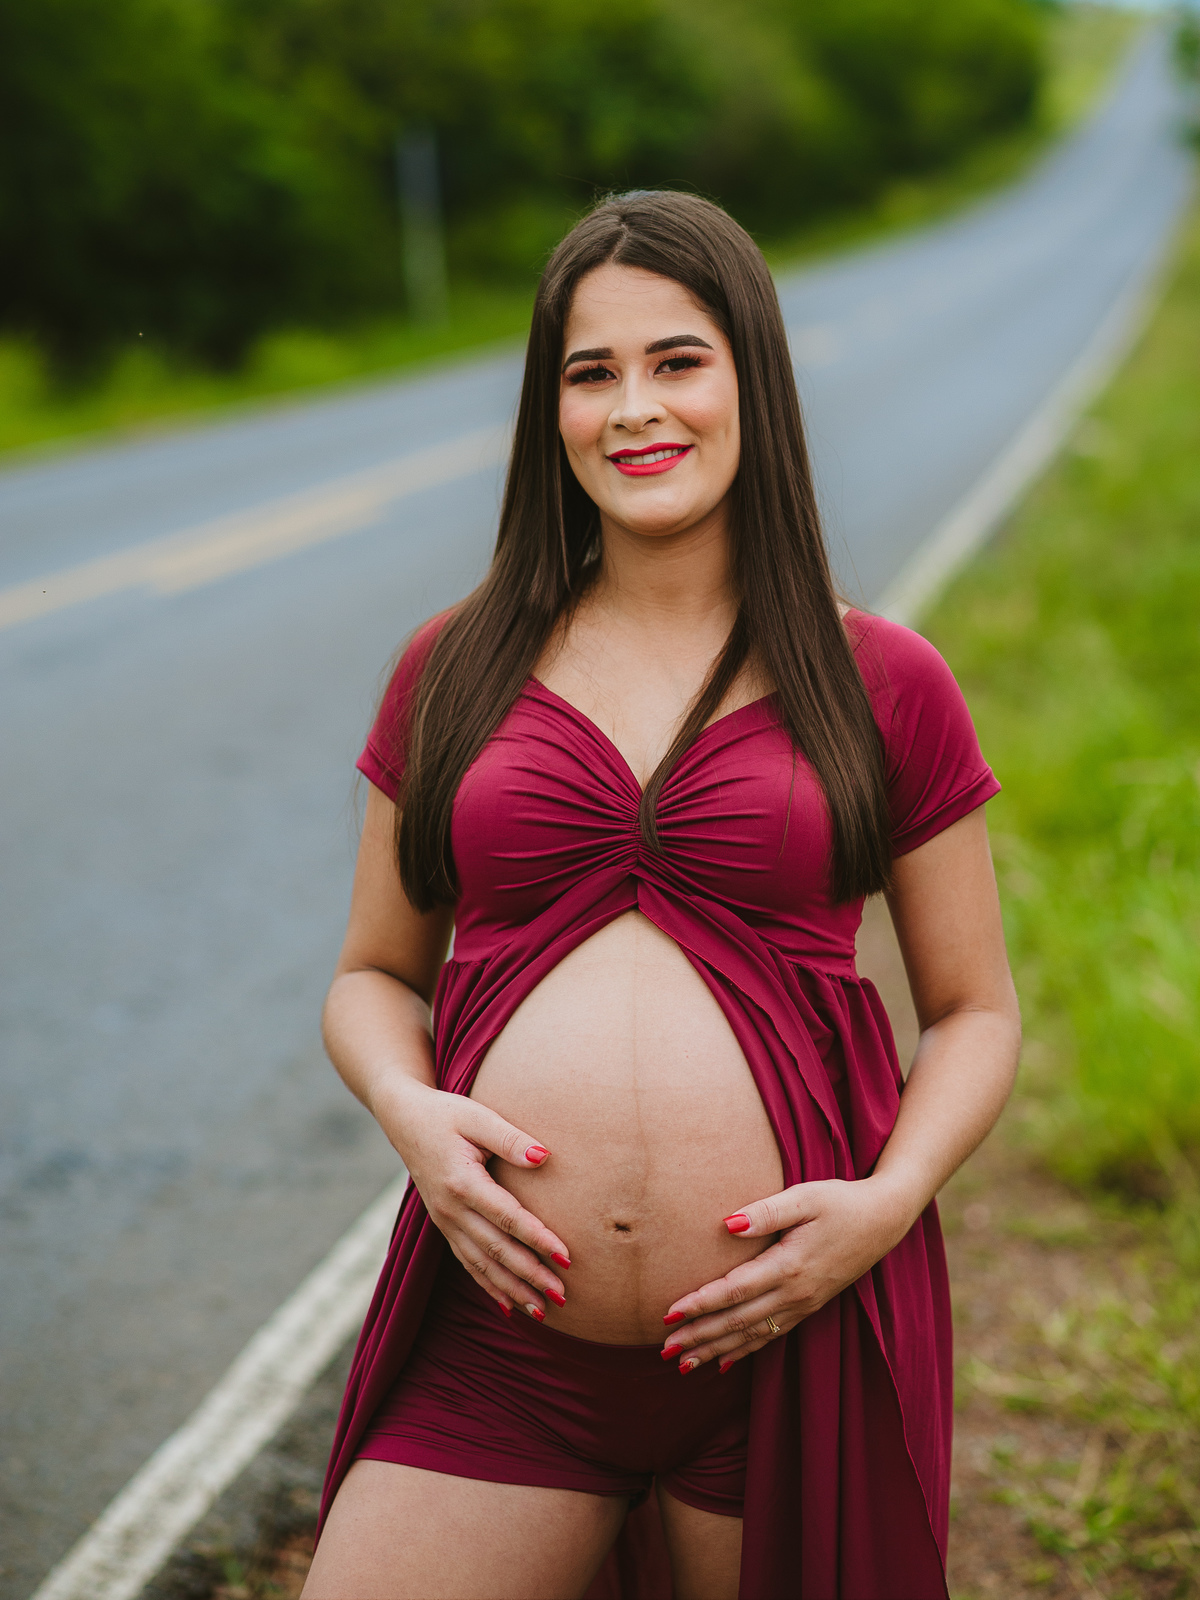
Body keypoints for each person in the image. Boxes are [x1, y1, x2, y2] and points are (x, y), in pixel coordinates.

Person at [301, 190, 1020, 1600]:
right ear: (550, 413)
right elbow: (373, 976)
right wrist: (412, 1113)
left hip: (792, 1341)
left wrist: (893, 1200)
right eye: (591, 371)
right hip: (504, 1348)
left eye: (678, 360)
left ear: (752, 376)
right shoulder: (450, 669)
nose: (636, 408)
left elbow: (976, 1009)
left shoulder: (885, 683)